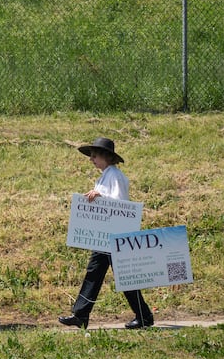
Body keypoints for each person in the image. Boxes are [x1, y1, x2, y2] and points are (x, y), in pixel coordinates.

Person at [59, 137, 154, 330]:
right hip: (105, 237)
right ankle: (81, 315)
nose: (91, 159)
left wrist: (100, 196)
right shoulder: (105, 176)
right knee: (94, 272)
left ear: (106, 157)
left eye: (94, 156)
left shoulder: (115, 176)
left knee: (123, 275)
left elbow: (119, 204)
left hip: (115, 236)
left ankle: (143, 316)